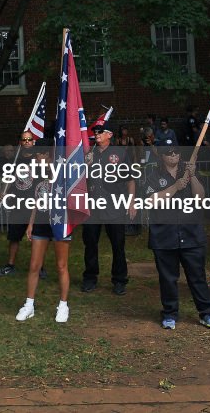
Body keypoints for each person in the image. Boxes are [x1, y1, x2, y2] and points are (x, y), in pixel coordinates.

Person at [142, 147, 210, 330]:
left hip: (191, 233)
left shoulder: (189, 171)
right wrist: (175, 187)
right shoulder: (153, 175)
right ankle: (170, 313)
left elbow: (200, 197)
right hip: (164, 236)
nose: (173, 155)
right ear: (162, 156)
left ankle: (207, 313)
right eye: (168, 153)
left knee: (197, 277)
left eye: (176, 152)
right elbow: (150, 201)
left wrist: (192, 176)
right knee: (168, 278)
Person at [14, 147, 72, 323]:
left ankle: (63, 305)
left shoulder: (62, 171)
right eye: (37, 154)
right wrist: (30, 223)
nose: (37, 157)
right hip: (40, 222)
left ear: (49, 155)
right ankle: (29, 304)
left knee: (61, 265)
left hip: (60, 221)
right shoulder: (37, 173)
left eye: (40, 154)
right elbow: (36, 199)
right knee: (34, 265)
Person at [80, 123, 135, 295]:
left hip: (114, 205)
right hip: (92, 205)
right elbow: (80, 178)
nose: (96, 134)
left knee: (118, 244)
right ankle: (90, 277)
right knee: (90, 243)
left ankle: (119, 280)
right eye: (95, 132)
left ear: (109, 135)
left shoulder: (120, 153)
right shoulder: (89, 153)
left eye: (100, 132)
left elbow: (130, 179)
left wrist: (131, 202)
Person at [0, 130, 38, 276]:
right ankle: (10, 264)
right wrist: (3, 191)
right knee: (14, 236)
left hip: (34, 204)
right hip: (18, 202)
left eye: (29, 139)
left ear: (33, 141)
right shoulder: (15, 159)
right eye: (24, 139)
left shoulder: (39, 158)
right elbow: (9, 178)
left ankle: (39, 267)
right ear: (20, 142)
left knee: (38, 237)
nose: (27, 142)